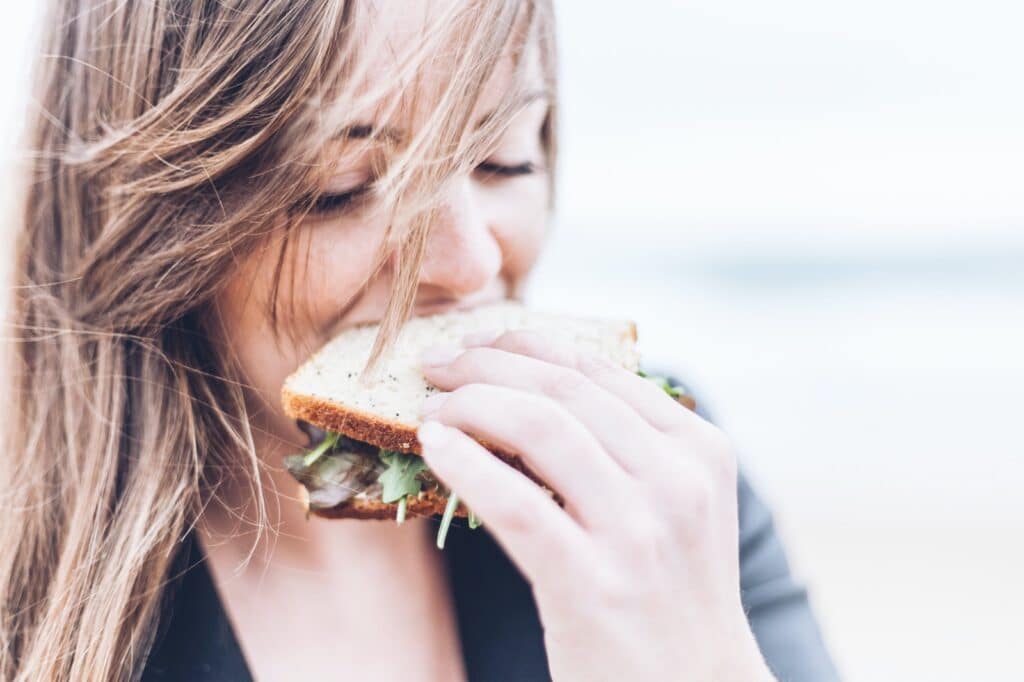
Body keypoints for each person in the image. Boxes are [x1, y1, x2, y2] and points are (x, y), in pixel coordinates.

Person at [0, 1, 839, 680]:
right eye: (345, 188)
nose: (473, 262)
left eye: (505, 161)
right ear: (150, 223)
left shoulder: (660, 487)